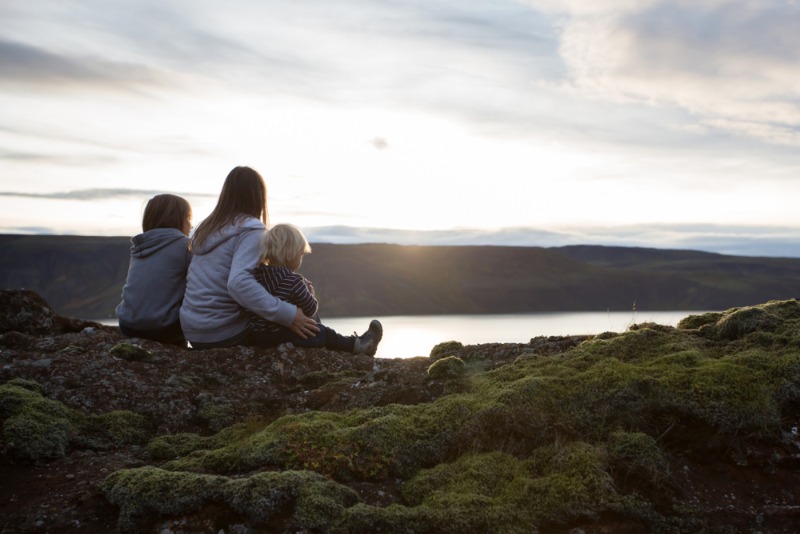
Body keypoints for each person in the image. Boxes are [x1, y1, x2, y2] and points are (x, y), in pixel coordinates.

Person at [179, 166, 319, 349]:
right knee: (306, 307)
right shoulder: (251, 230)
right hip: (225, 330)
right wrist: (289, 315)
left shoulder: (207, 229)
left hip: (194, 331)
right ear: (259, 197)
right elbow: (239, 283)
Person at [248, 223, 383, 356]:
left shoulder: (256, 276)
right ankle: (360, 345)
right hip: (284, 336)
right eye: (301, 254)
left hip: (260, 336)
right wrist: (310, 294)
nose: (301, 258)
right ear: (289, 254)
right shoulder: (293, 280)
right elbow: (310, 309)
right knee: (325, 333)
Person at [116, 194, 193, 347]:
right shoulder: (185, 246)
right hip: (162, 328)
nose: (191, 226)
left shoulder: (140, 246)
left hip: (127, 325)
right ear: (178, 219)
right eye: (189, 218)